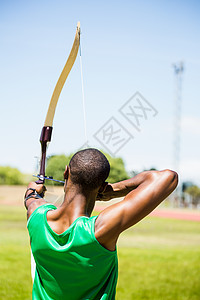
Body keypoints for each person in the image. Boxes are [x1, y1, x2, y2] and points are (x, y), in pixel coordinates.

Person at [24, 148, 178, 299]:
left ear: (66, 172)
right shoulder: (99, 231)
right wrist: (115, 189)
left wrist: (32, 191)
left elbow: (31, 198)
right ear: (102, 186)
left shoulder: (36, 215)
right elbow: (168, 178)